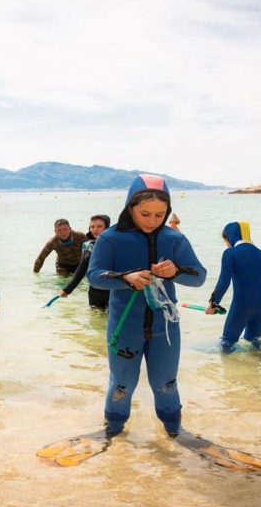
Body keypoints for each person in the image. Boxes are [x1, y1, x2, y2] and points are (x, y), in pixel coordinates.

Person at [88, 174, 206, 437]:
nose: (152, 221)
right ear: (130, 207)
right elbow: (94, 277)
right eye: (145, 214)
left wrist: (175, 271)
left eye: (160, 215)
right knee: (121, 384)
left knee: (166, 384)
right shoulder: (110, 238)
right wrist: (125, 278)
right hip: (124, 325)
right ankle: (113, 432)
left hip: (165, 328)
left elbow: (199, 277)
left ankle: (175, 432)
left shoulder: (174, 239)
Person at [205, 221, 261, 352]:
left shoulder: (230, 253)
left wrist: (213, 303)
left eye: (225, 240)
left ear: (229, 237)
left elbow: (224, 282)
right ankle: (260, 365)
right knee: (254, 340)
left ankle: (229, 370)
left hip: (243, 304)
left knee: (227, 341)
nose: (226, 244)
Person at [59, 214, 111, 309]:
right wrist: (67, 289)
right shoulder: (87, 245)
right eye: (92, 226)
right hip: (94, 291)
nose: (95, 229)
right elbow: (82, 268)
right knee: (95, 320)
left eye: (99, 226)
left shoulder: (114, 244)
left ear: (107, 228)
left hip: (112, 290)